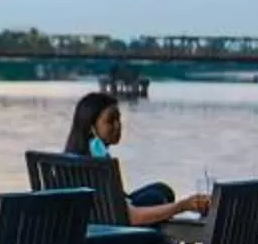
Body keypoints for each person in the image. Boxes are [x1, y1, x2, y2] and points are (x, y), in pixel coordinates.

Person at [62, 91, 210, 226]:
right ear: (91, 127)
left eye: (119, 119)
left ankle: (161, 243)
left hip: (95, 229)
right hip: (107, 238)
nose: (118, 125)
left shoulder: (73, 158)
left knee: (162, 190)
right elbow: (131, 217)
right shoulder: (95, 165)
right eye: (111, 120)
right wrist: (183, 206)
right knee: (155, 197)